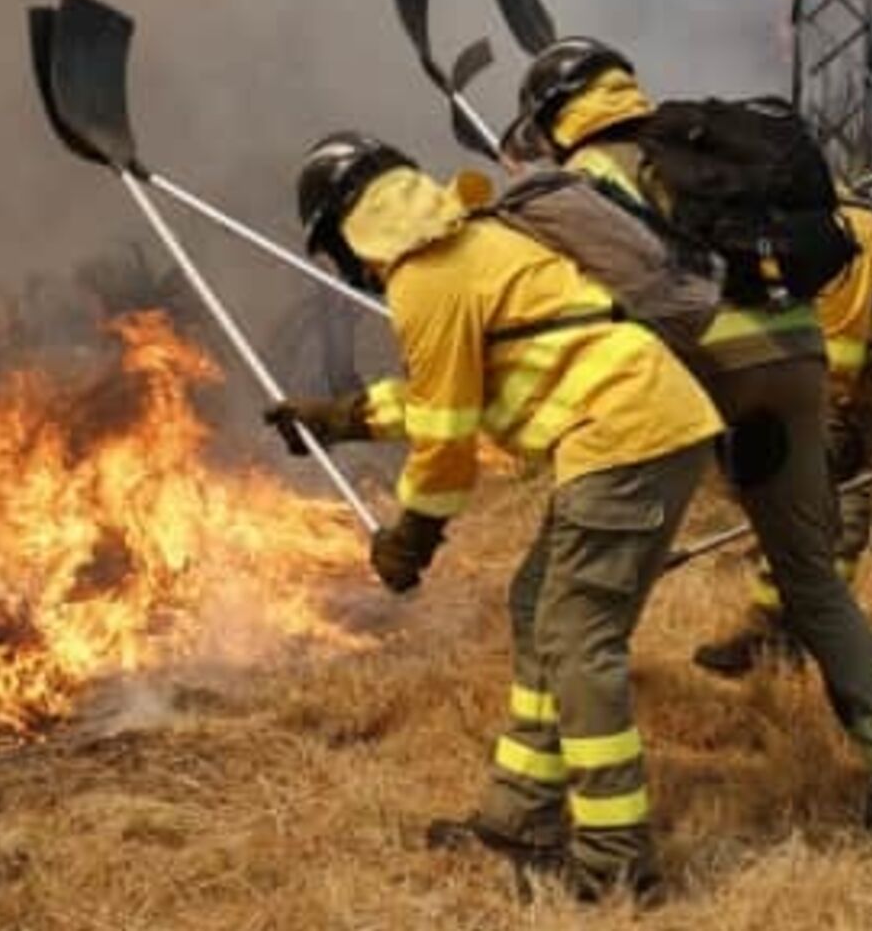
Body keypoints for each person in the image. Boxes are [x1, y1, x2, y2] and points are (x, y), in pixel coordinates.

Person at [491, 39, 872, 838]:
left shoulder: (588, 176)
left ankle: (532, 805)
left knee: (573, 605)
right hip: (797, 356)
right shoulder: (703, 149)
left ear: (558, 114)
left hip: (698, 366)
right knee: (814, 582)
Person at [267, 132, 721, 900]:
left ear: (347, 231)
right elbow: (451, 391)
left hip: (626, 435)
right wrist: (339, 418)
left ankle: (615, 863)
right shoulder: (465, 246)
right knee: (538, 606)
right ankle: (521, 815)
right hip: (637, 426)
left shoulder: (424, 278)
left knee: (579, 644)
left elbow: (447, 441)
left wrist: (412, 539)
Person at [698, 170, 872, 707]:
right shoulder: (816, 233)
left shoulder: (849, 234)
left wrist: (798, 422)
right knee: (816, 508)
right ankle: (772, 632)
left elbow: (837, 354)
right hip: (867, 388)